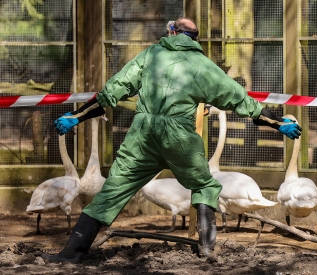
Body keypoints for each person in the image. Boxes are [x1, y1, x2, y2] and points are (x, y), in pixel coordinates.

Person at [45, 17, 302, 263]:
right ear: (194, 39)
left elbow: (111, 93)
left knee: (110, 192)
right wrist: (279, 123)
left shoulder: (150, 55)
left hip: (142, 138)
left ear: (172, 32)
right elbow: (242, 102)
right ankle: (206, 249)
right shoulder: (204, 67)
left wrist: (76, 116)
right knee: (203, 186)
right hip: (180, 139)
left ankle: (71, 254)